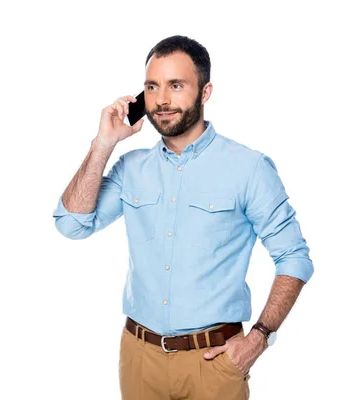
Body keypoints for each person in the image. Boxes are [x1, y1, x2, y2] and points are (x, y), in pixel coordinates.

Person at [51, 35, 314, 400]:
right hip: (139, 357)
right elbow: (71, 223)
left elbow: (294, 258)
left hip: (214, 363)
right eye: (152, 87)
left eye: (176, 85)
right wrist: (104, 143)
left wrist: (260, 337)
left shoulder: (248, 168)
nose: (162, 100)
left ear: (205, 93)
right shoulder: (132, 169)